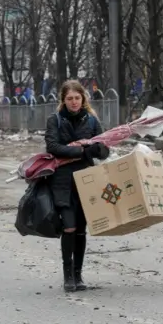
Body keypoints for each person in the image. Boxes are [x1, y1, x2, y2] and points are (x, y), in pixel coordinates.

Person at [45, 80, 109, 292]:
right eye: (70, 98)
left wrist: (91, 149)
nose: (74, 102)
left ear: (83, 99)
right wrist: (81, 150)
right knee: (69, 227)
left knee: (81, 229)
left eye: (77, 98)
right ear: (63, 100)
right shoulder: (55, 120)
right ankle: (67, 276)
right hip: (62, 181)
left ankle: (78, 276)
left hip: (86, 180)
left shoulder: (91, 121)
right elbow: (53, 147)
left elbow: (103, 149)